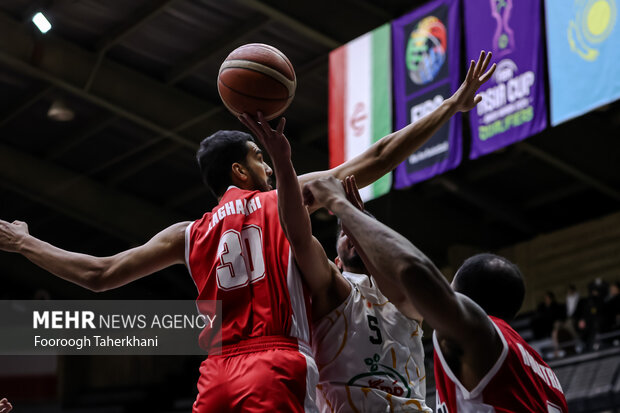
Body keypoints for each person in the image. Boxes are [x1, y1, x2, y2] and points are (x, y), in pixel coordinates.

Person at [0, 51, 495, 412]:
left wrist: (24, 241)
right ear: (239, 170)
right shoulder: (284, 198)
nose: (268, 165)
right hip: (276, 362)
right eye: (259, 158)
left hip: (215, 375)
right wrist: (448, 107)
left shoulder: (186, 233)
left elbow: (98, 274)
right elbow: (378, 157)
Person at [239, 52, 495, 412]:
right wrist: (283, 164)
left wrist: (450, 105)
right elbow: (299, 236)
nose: (267, 168)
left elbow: (380, 157)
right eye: (259, 159)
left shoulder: (403, 295)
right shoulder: (326, 277)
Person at [301, 176, 568, 412]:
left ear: (460, 299)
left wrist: (342, 207)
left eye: (447, 287)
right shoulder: (541, 371)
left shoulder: (471, 333)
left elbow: (411, 272)